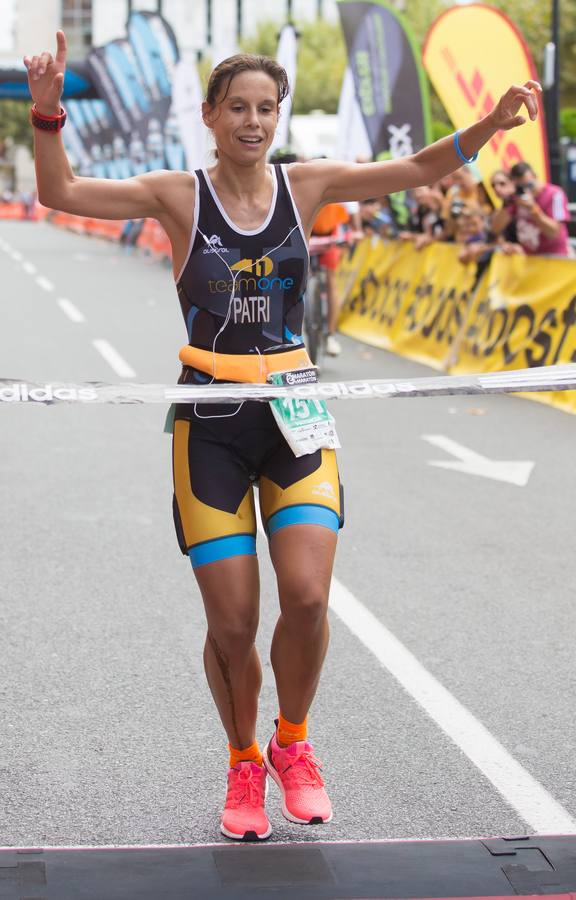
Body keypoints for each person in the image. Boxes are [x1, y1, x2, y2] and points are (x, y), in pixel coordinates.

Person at [24, 30, 541, 842]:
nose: (253, 122)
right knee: (232, 625)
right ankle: (240, 760)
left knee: (305, 598)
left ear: (278, 116)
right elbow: (61, 193)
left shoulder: (310, 185)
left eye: (266, 108)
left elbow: (415, 171)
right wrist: (48, 113)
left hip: (296, 417)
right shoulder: (178, 194)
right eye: (238, 108)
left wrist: (489, 124)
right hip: (210, 425)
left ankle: (291, 743)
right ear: (210, 116)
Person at [491, 160, 571, 257]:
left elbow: (554, 233)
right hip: (530, 259)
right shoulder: (516, 198)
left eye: (529, 185)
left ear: (534, 176)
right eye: (520, 187)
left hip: (554, 258)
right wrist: (507, 201)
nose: (526, 190)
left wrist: (533, 209)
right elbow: (495, 228)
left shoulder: (555, 194)